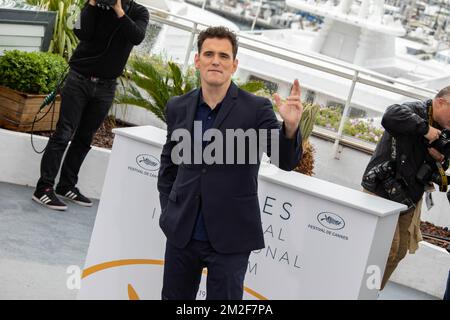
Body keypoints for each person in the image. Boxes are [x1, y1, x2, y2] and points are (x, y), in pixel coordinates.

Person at [157, 26, 303, 300]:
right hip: (182, 234)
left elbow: (284, 160)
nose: (216, 61)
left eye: (224, 56)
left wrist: (291, 128)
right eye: (209, 54)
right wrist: (169, 210)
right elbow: (168, 166)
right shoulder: (178, 106)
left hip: (231, 237)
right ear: (197, 60)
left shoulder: (256, 109)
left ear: (234, 65)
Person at [32, 0, 149, 210]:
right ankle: (44, 188)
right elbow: (81, 32)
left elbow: (137, 37)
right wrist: (92, 4)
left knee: (84, 138)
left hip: (106, 86)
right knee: (63, 133)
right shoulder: (93, 6)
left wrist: (118, 10)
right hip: (79, 80)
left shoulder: (139, 12)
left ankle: (66, 185)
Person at [361, 86, 450, 290]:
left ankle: (370, 292)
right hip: (383, 189)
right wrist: (427, 131)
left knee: (399, 251)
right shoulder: (414, 109)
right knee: (386, 250)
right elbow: (390, 115)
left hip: (409, 197)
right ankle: (356, 291)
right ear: (440, 102)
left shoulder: (446, 130)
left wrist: (440, 159)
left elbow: (440, 166)